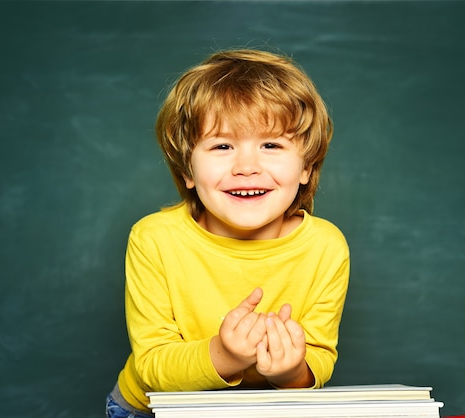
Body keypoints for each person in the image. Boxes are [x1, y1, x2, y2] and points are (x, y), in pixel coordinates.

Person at [106, 48, 350, 417]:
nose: (247, 167)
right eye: (222, 145)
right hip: (150, 410)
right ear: (187, 170)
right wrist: (224, 354)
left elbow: (318, 357)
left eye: (271, 145)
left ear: (306, 167)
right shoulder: (153, 239)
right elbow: (151, 364)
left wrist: (292, 370)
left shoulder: (325, 247)